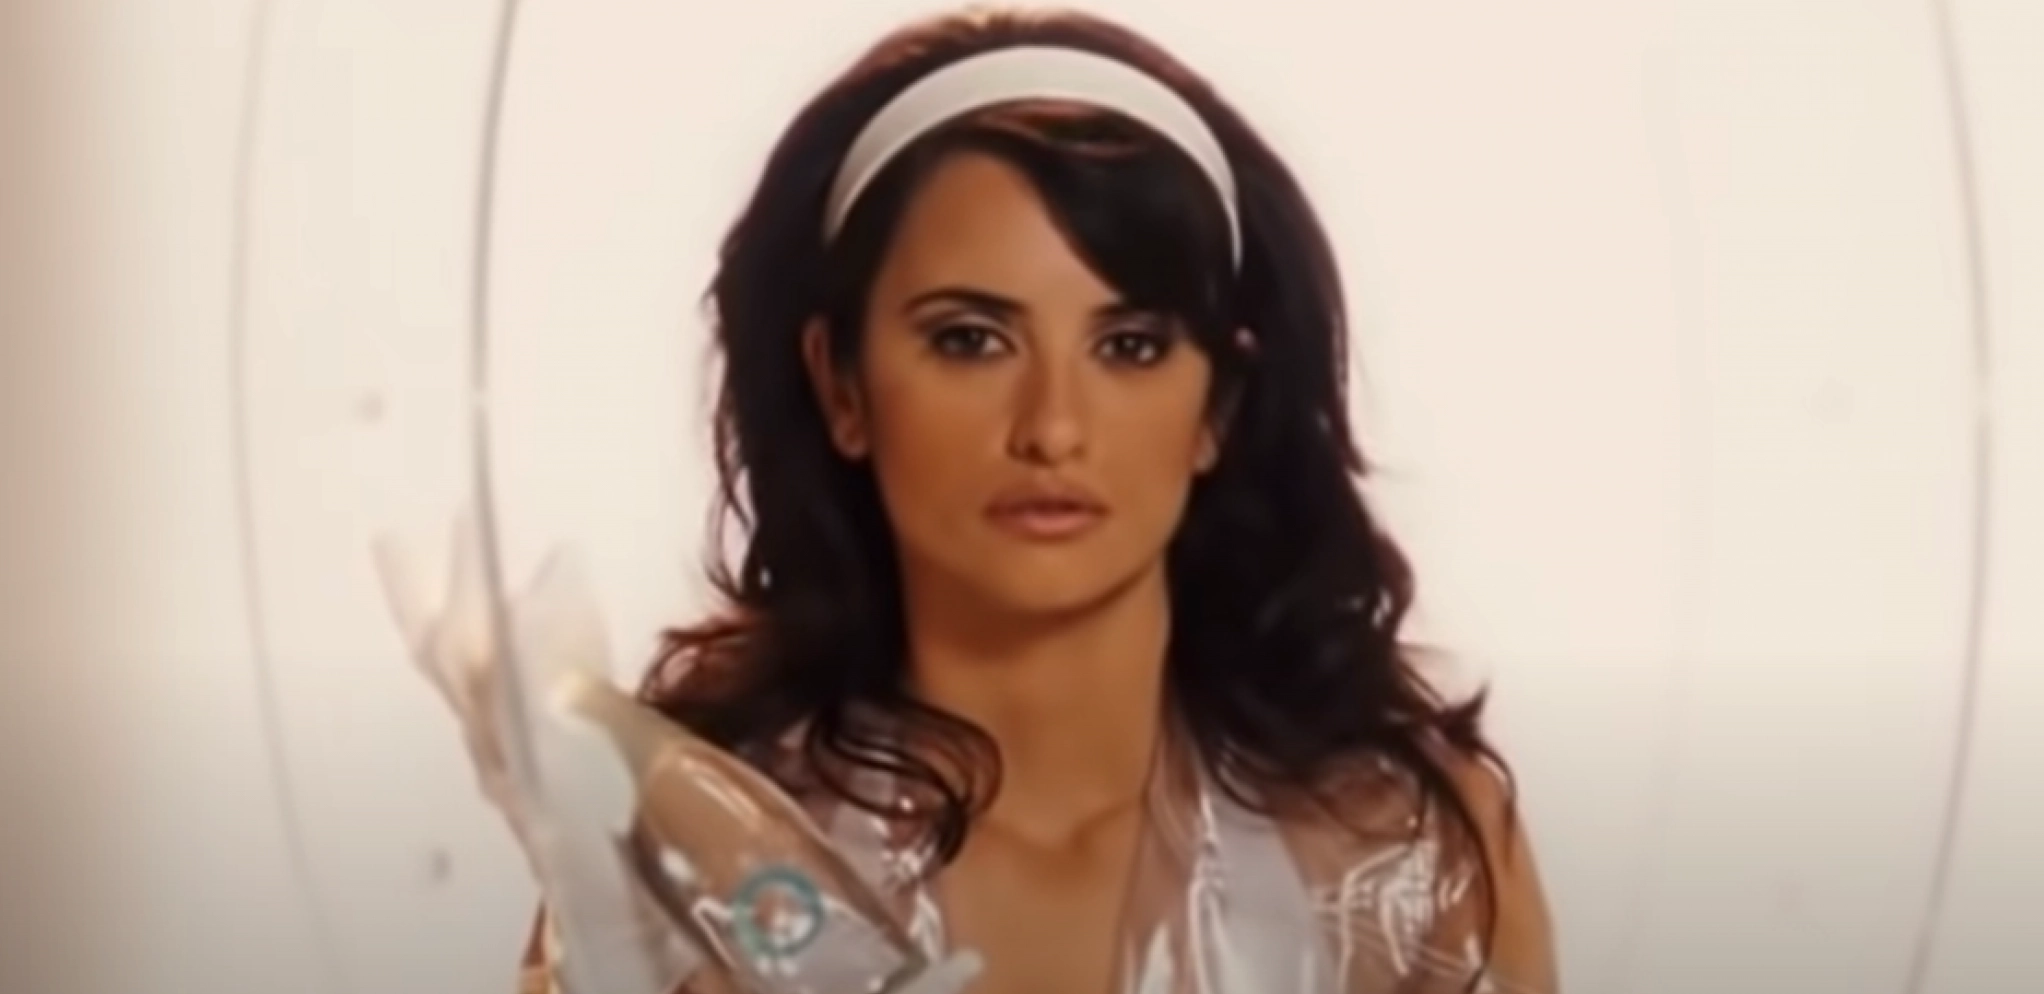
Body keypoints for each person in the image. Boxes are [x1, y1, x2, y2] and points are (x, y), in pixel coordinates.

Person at [472, 7, 1554, 993]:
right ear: (842, 385)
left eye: (1129, 345)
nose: (1052, 427)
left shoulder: (1407, 853)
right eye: (970, 340)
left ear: (1217, 403)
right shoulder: (683, 871)